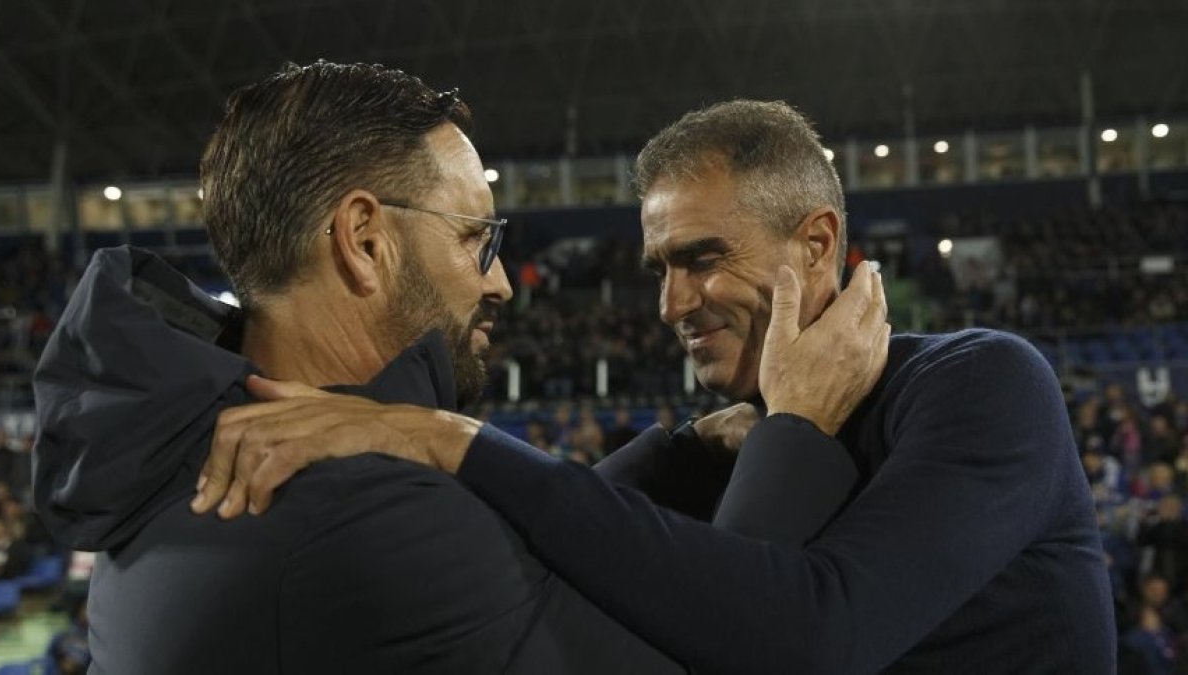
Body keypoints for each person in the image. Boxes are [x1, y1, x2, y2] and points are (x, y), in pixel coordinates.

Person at [202, 100, 1116, 673]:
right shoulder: (732, 439)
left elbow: (813, 637)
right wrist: (680, 446)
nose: (674, 302)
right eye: (659, 267)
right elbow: (551, 576)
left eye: (703, 258)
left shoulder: (983, 384)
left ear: (818, 244)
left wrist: (443, 435)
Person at [31, 63, 886, 673]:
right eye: (478, 239)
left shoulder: (178, 454)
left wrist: (678, 458)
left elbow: (524, 567)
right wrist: (798, 433)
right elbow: (716, 642)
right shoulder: (363, 515)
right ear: (365, 241)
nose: (502, 282)